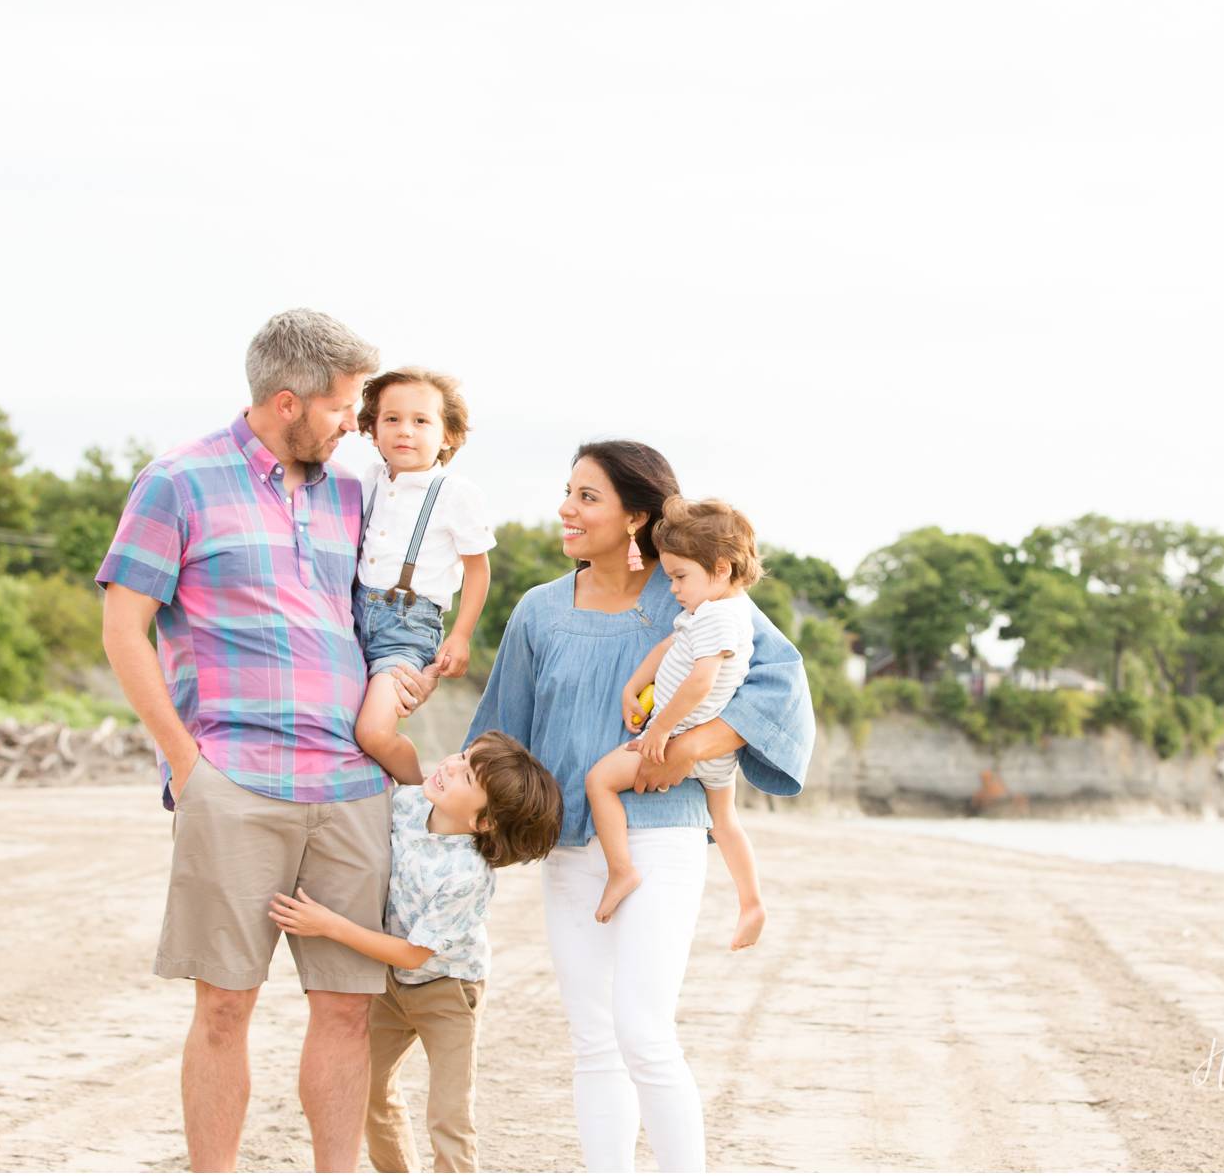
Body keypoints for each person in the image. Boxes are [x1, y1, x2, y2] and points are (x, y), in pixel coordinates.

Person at [97, 309, 435, 1173]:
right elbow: (123, 629)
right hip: (233, 783)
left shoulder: (357, 493)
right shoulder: (177, 482)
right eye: (344, 407)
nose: (356, 425)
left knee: (348, 1009)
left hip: (351, 791)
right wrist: (188, 764)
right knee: (223, 1008)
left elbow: (386, 616)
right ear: (288, 402)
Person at [465, 441, 814, 1173]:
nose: (565, 508)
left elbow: (783, 686)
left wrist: (687, 749)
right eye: (567, 491)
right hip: (566, 849)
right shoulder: (536, 611)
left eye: (587, 496)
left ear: (637, 518)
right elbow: (499, 737)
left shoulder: (692, 596)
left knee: (644, 1032)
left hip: (661, 839)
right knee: (593, 1041)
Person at [268, 730, 563, 1173]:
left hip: (446, 990)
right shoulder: (406, 805)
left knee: (449, 1114)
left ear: (484, 822)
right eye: (461, 755)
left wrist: (330, 925)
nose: (449, 766)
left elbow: (412, 954)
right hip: (390, 984)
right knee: (368, 1088)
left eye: (466, 775)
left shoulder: (468, 875)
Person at [585, 496, 766, 949]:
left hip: (681, 737)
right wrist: (635, 684)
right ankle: (751, 902)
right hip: (714, 754)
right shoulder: (714, 612)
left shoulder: (719, 616)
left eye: (680, 576)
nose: (673, 588)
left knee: (599, 781)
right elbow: (667, 648)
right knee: (724, 822)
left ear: (721, 568)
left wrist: (661, 730)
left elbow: (701, 682)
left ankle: (621, 870)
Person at [350, 368, 496, 784]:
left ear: (447, 433)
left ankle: (416, 797)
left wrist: (461, 636)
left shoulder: (454, 492)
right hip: (352, 618)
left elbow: (477, 571)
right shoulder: (367, 482)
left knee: (374, 731)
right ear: (373, 429)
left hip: (406, 627)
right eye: (391, 419)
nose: (404, 431)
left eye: (421, 421)